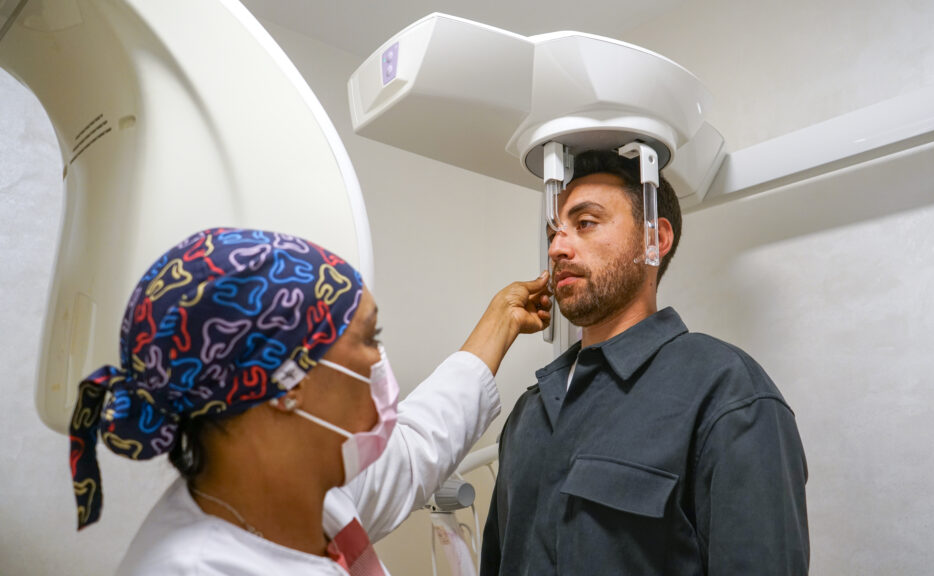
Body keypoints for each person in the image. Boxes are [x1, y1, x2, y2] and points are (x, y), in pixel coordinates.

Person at [68, 227, 551, 575]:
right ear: (286, 381)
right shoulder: (196, 568)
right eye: (367, 337)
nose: (379, 360)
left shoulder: (298, 495)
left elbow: (415, 447)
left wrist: (502, 320)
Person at [480, 151, 810, 575]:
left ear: (654, 239)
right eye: (553, 233)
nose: (558, 248)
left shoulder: (727, 394)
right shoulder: (530, 413)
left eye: (585, 223)